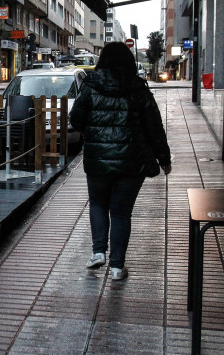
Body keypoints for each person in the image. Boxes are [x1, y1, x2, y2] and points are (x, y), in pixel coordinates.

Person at [69, 42, 172, 279]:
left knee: (98, 204)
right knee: (121, 212)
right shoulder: (138, 88)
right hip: (131, 161)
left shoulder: (90, 86)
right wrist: (164, 158)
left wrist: (94, 133)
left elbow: (76, 120)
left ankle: (98, 252)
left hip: (98, 159)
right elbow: (154, 126)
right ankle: (117, 267)